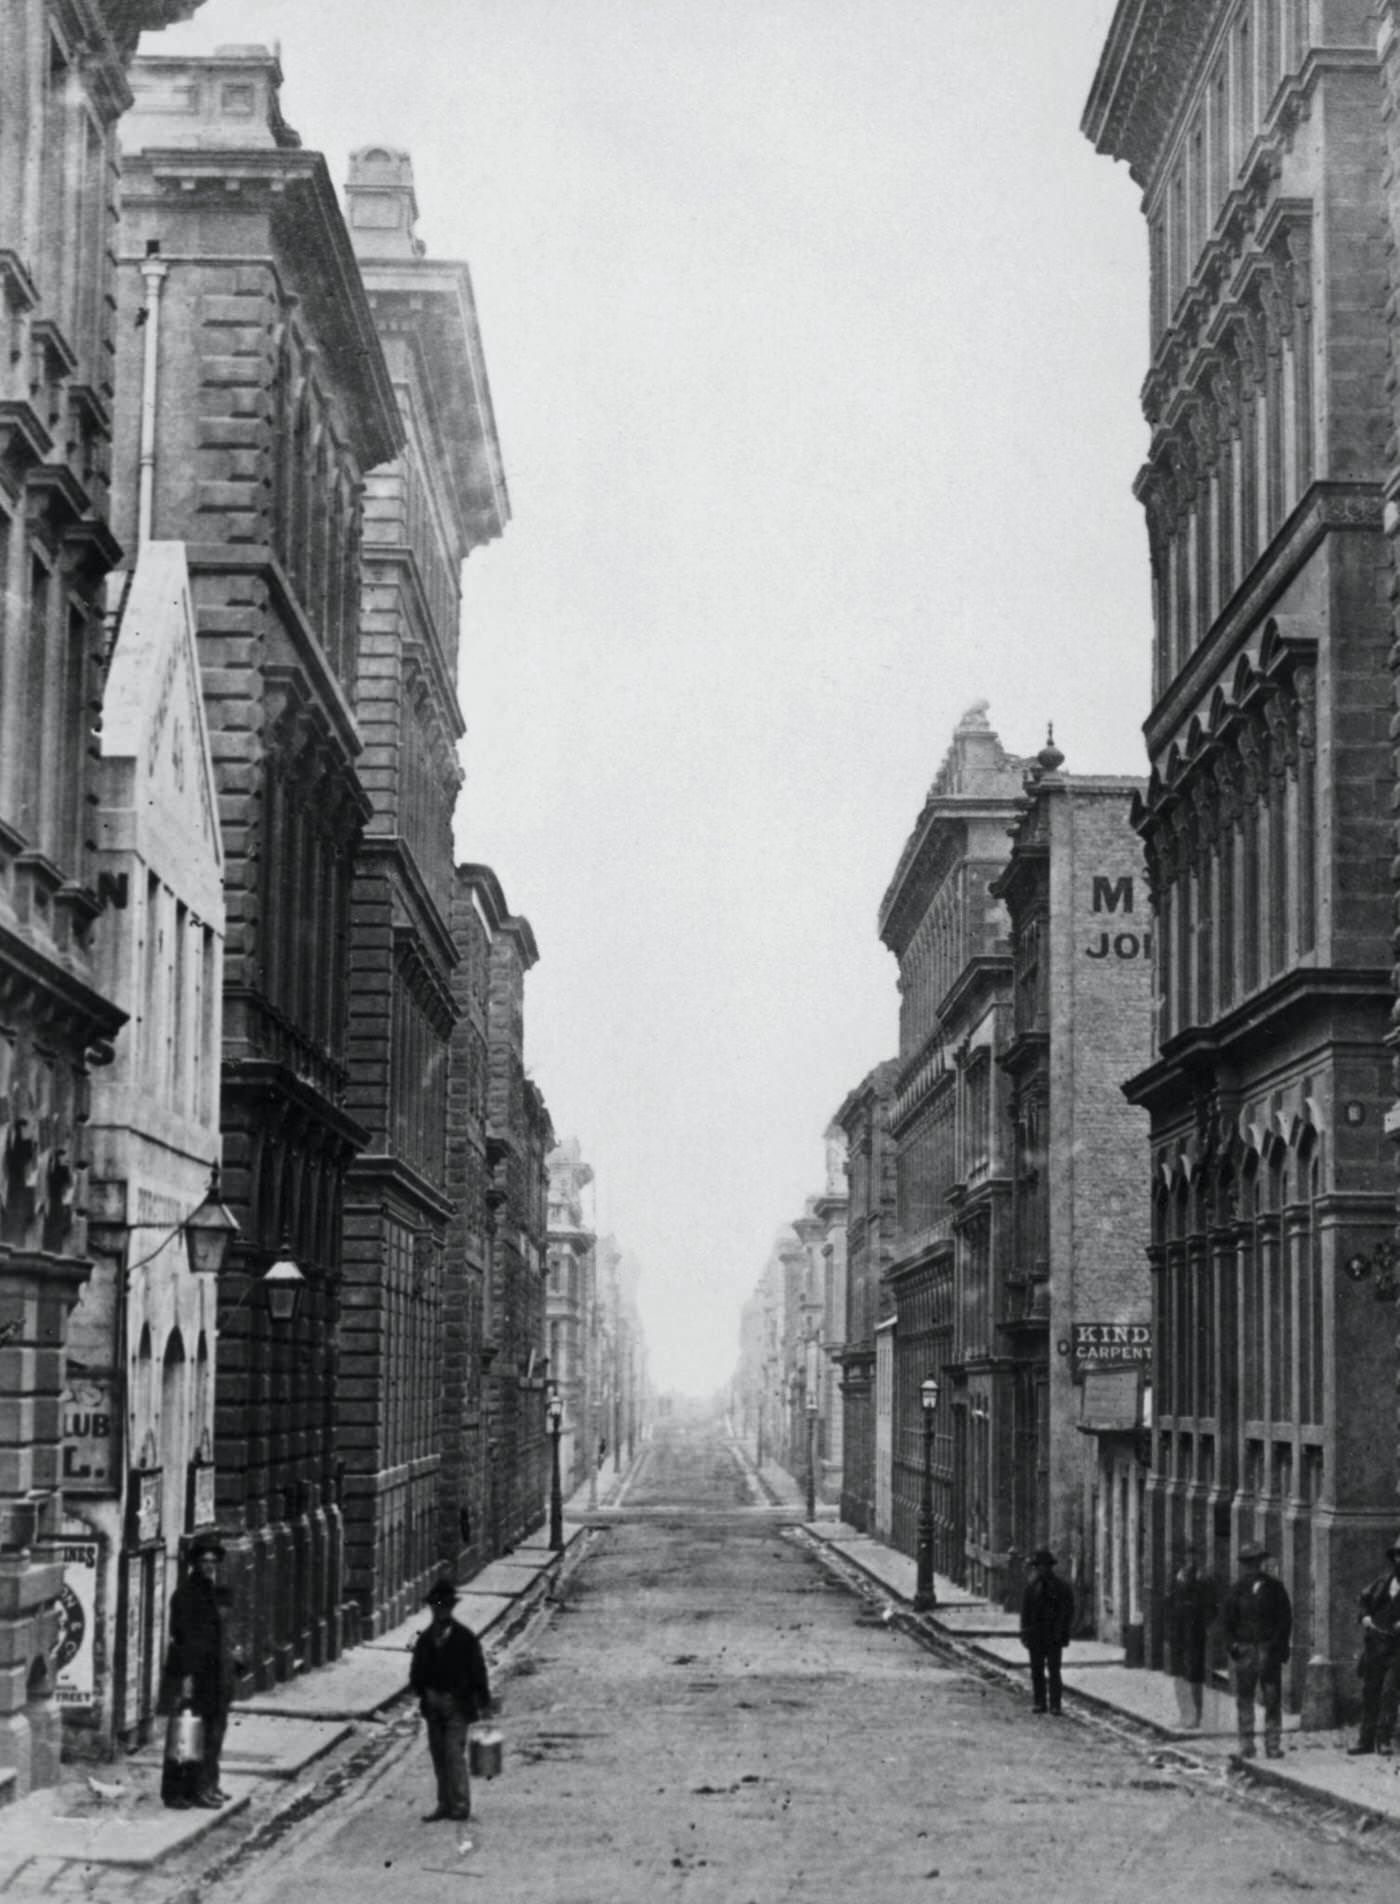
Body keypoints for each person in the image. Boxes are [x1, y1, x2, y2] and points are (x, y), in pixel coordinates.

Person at [159, 1534, 239, 1809]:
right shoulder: (187, 1594)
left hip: (214, 1675)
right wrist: (186, 1679)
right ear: (195, 1563)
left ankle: (208, 1785)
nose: (209, 1566)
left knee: (213, 1733)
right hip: (194, 1675)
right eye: (204, 1561)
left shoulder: (211, 1591)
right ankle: (183, 1792)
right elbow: (182, 1639)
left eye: (213, 1561)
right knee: (189, 1735)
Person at [410, 1578, 493, 1823]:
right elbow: (416, 1673)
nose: (439, 1611)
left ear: (450, 1608)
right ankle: (444, 1804)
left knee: (453, 1753)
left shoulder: (465, 1638)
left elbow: (478, 1671)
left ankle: (460, 1804)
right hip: (433, 1707)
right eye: (436, 1607)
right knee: (438, 1755)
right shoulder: (425, 1640)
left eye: (444, 1606)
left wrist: (483, 1701)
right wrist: (424, 1693)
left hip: (458, 1706)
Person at [1221, 1540, 1292, 1760]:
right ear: (1243, 1565)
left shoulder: (1274, 1588)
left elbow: (1285, 1619)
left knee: (1272, 1698)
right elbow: (1226, 1622)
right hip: (1245, 1651)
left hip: (1267, 1649)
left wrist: (1277, 1647)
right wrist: (1233, 1645)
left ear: (1261, 1563)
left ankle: (1272, 1744)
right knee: (1245, 1698)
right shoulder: (1236, 1590)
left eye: (1256, 1562)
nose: (1252, 1567)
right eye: (1248, 1563)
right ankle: (1247, 1745)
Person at [1347, 1534, 1400, 1757]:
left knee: (1389, 1693)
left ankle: (1384, 1740)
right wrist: (1365, 1617)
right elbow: (1363, 1601)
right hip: (1376, 1646)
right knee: (1370, 1693)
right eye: (1398, 1556)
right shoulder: (1382, 1583)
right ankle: (1365, 1740)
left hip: (1398, 1650)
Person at [1166, 1547, 1218, 1728]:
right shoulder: (1177, 1577)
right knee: (1178, 1675)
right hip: (1178, 1633)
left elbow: (1211, 1607)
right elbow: (1170, 1603)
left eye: (1194, 1555)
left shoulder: (1203, 1579)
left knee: (1194, 1676)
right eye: (1188, 1556)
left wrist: (1206, 1626)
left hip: (1194, 1633)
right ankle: (1184, 1715)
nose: (1191, 1559)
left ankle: (1196, 1717)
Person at [1020, 1548, 1074, 1716]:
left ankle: (1055, 1705)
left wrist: (1063, 1633)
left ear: (1050, 1567)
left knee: (1054, 1670)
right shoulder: (1031, 1588)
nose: (1041, 1569)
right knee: (1036, 1670)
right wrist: (1024, 1633)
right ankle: (1039, 1702)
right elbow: (1025, 1613)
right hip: (1036, 1635)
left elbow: (1068, 1612)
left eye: (1044, 1566)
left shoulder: (1061, 1588)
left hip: (1053, 1636)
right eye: (1038, 1567)